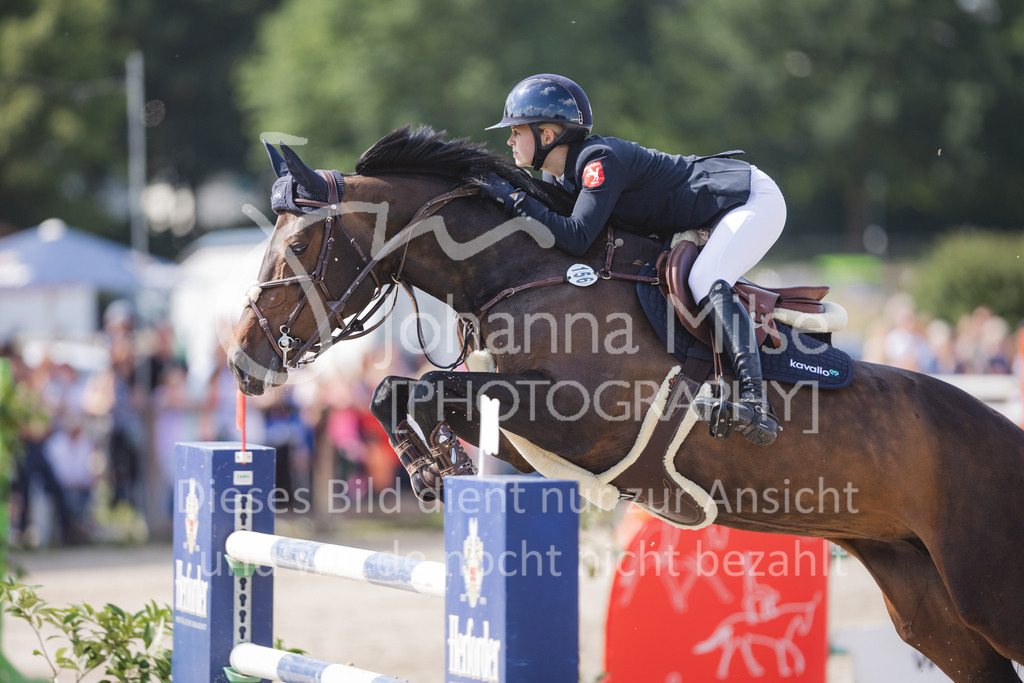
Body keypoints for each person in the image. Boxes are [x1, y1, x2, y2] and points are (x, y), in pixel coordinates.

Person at [481, 73, 785, 445]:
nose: (509, 139)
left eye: (516, 130)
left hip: (749, 198)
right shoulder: (563, 179)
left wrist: (515, 200)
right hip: (712, 213)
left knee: (705, 278)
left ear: (547, 135)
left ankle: (755, 401)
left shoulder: (598, 160)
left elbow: (576, 237)